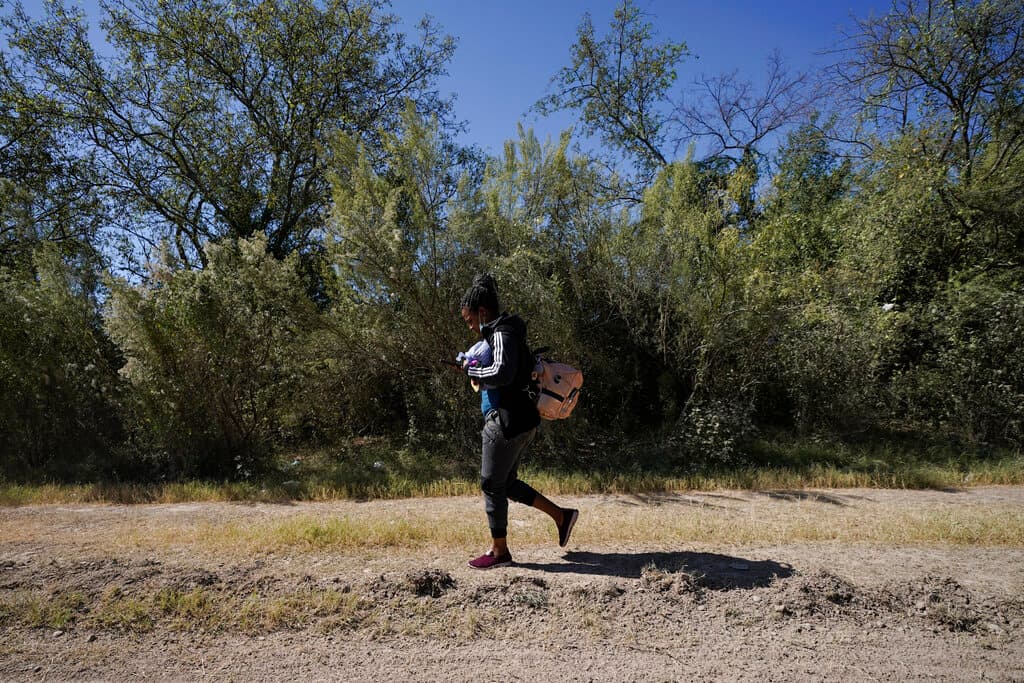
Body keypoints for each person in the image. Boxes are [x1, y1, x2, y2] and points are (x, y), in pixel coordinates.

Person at [459, 273, 578, 569]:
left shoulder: (502, 334)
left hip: (508, 422)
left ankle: (499, 553)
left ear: (482, 312)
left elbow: (502, 373)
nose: (471, 326)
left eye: (469, 320)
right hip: (522, 420)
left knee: (490, 484)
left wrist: (472, 373)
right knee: (506, 483)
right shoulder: (506, 333)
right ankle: (562, 516)